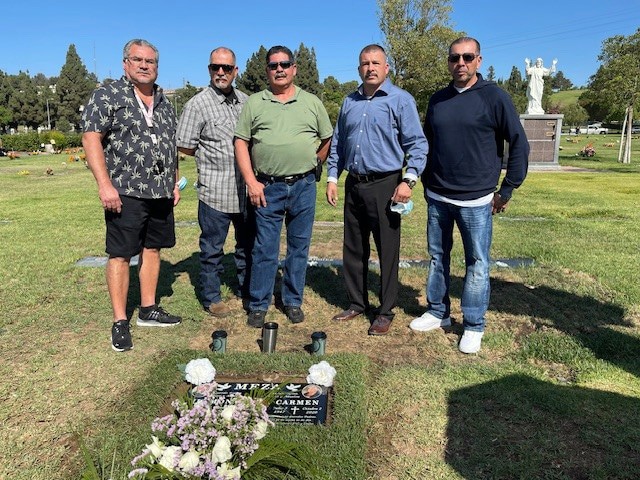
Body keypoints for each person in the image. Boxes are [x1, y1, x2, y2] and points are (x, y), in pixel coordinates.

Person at [410, 37, 529, 353]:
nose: (460, 63)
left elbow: (518, 141)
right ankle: (438, 312)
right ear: (448, 62)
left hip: (476, 200)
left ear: (479, 60)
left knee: (476, 262)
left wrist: (508, 188)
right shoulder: (438, 99)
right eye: (454, 58)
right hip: (438, 196)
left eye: (467, 57)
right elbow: (427, 142)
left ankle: (474, 324)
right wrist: (425, 180)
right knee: (438, 256)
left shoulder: (494, 97)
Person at [81, 39, 182, 352]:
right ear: (125, 63)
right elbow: (91, 138)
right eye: (137, 59)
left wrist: (174, 182)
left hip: (160, 192)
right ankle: (120, 320)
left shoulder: (164, 101)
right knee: (121, 253)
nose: (144, 65)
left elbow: (170, 144)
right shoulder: (108, 94)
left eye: (150, 61)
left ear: (157, 66)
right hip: (125, 191)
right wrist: (104, 185)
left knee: (153, 248)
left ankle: (148, 309)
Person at [326, 44, 427, 336]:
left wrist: (408, 180)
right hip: (354, 183)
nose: (370, 68)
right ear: (359, 68)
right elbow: (339, 143)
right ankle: (357, 303)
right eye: (365, 63)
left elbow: (417, 144)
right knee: (353, 248)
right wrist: (332, 177)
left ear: (386, 68)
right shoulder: (349, 101)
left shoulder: (401, 100)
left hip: (386, 184)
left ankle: (385, 310)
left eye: (375, 63)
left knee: (387, 249)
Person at [234, 45, 333, 328]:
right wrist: (251, 181)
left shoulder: (311, 102)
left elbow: (327, 138)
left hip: (303, 186)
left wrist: (315, 162)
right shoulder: (255, 102)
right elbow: (241, 141)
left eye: (284, 64)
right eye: (273, 65)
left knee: (299, 247)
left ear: (294, 68)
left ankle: (292, 301)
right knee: (265, 248)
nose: (279, 69)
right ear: (267, 71)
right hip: (267, 187)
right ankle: (259, 304)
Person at [177, 47, 254, 318]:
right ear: (209, 69)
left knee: (247, 246)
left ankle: (247, 290)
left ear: (236, 71)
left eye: (226, 68)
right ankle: (212, 297)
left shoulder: (247, 101)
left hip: (246, 191)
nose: (221, 72)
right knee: (212, 250)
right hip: (215, 192)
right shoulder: (197, 105)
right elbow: (185, 146)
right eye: (215, 67)